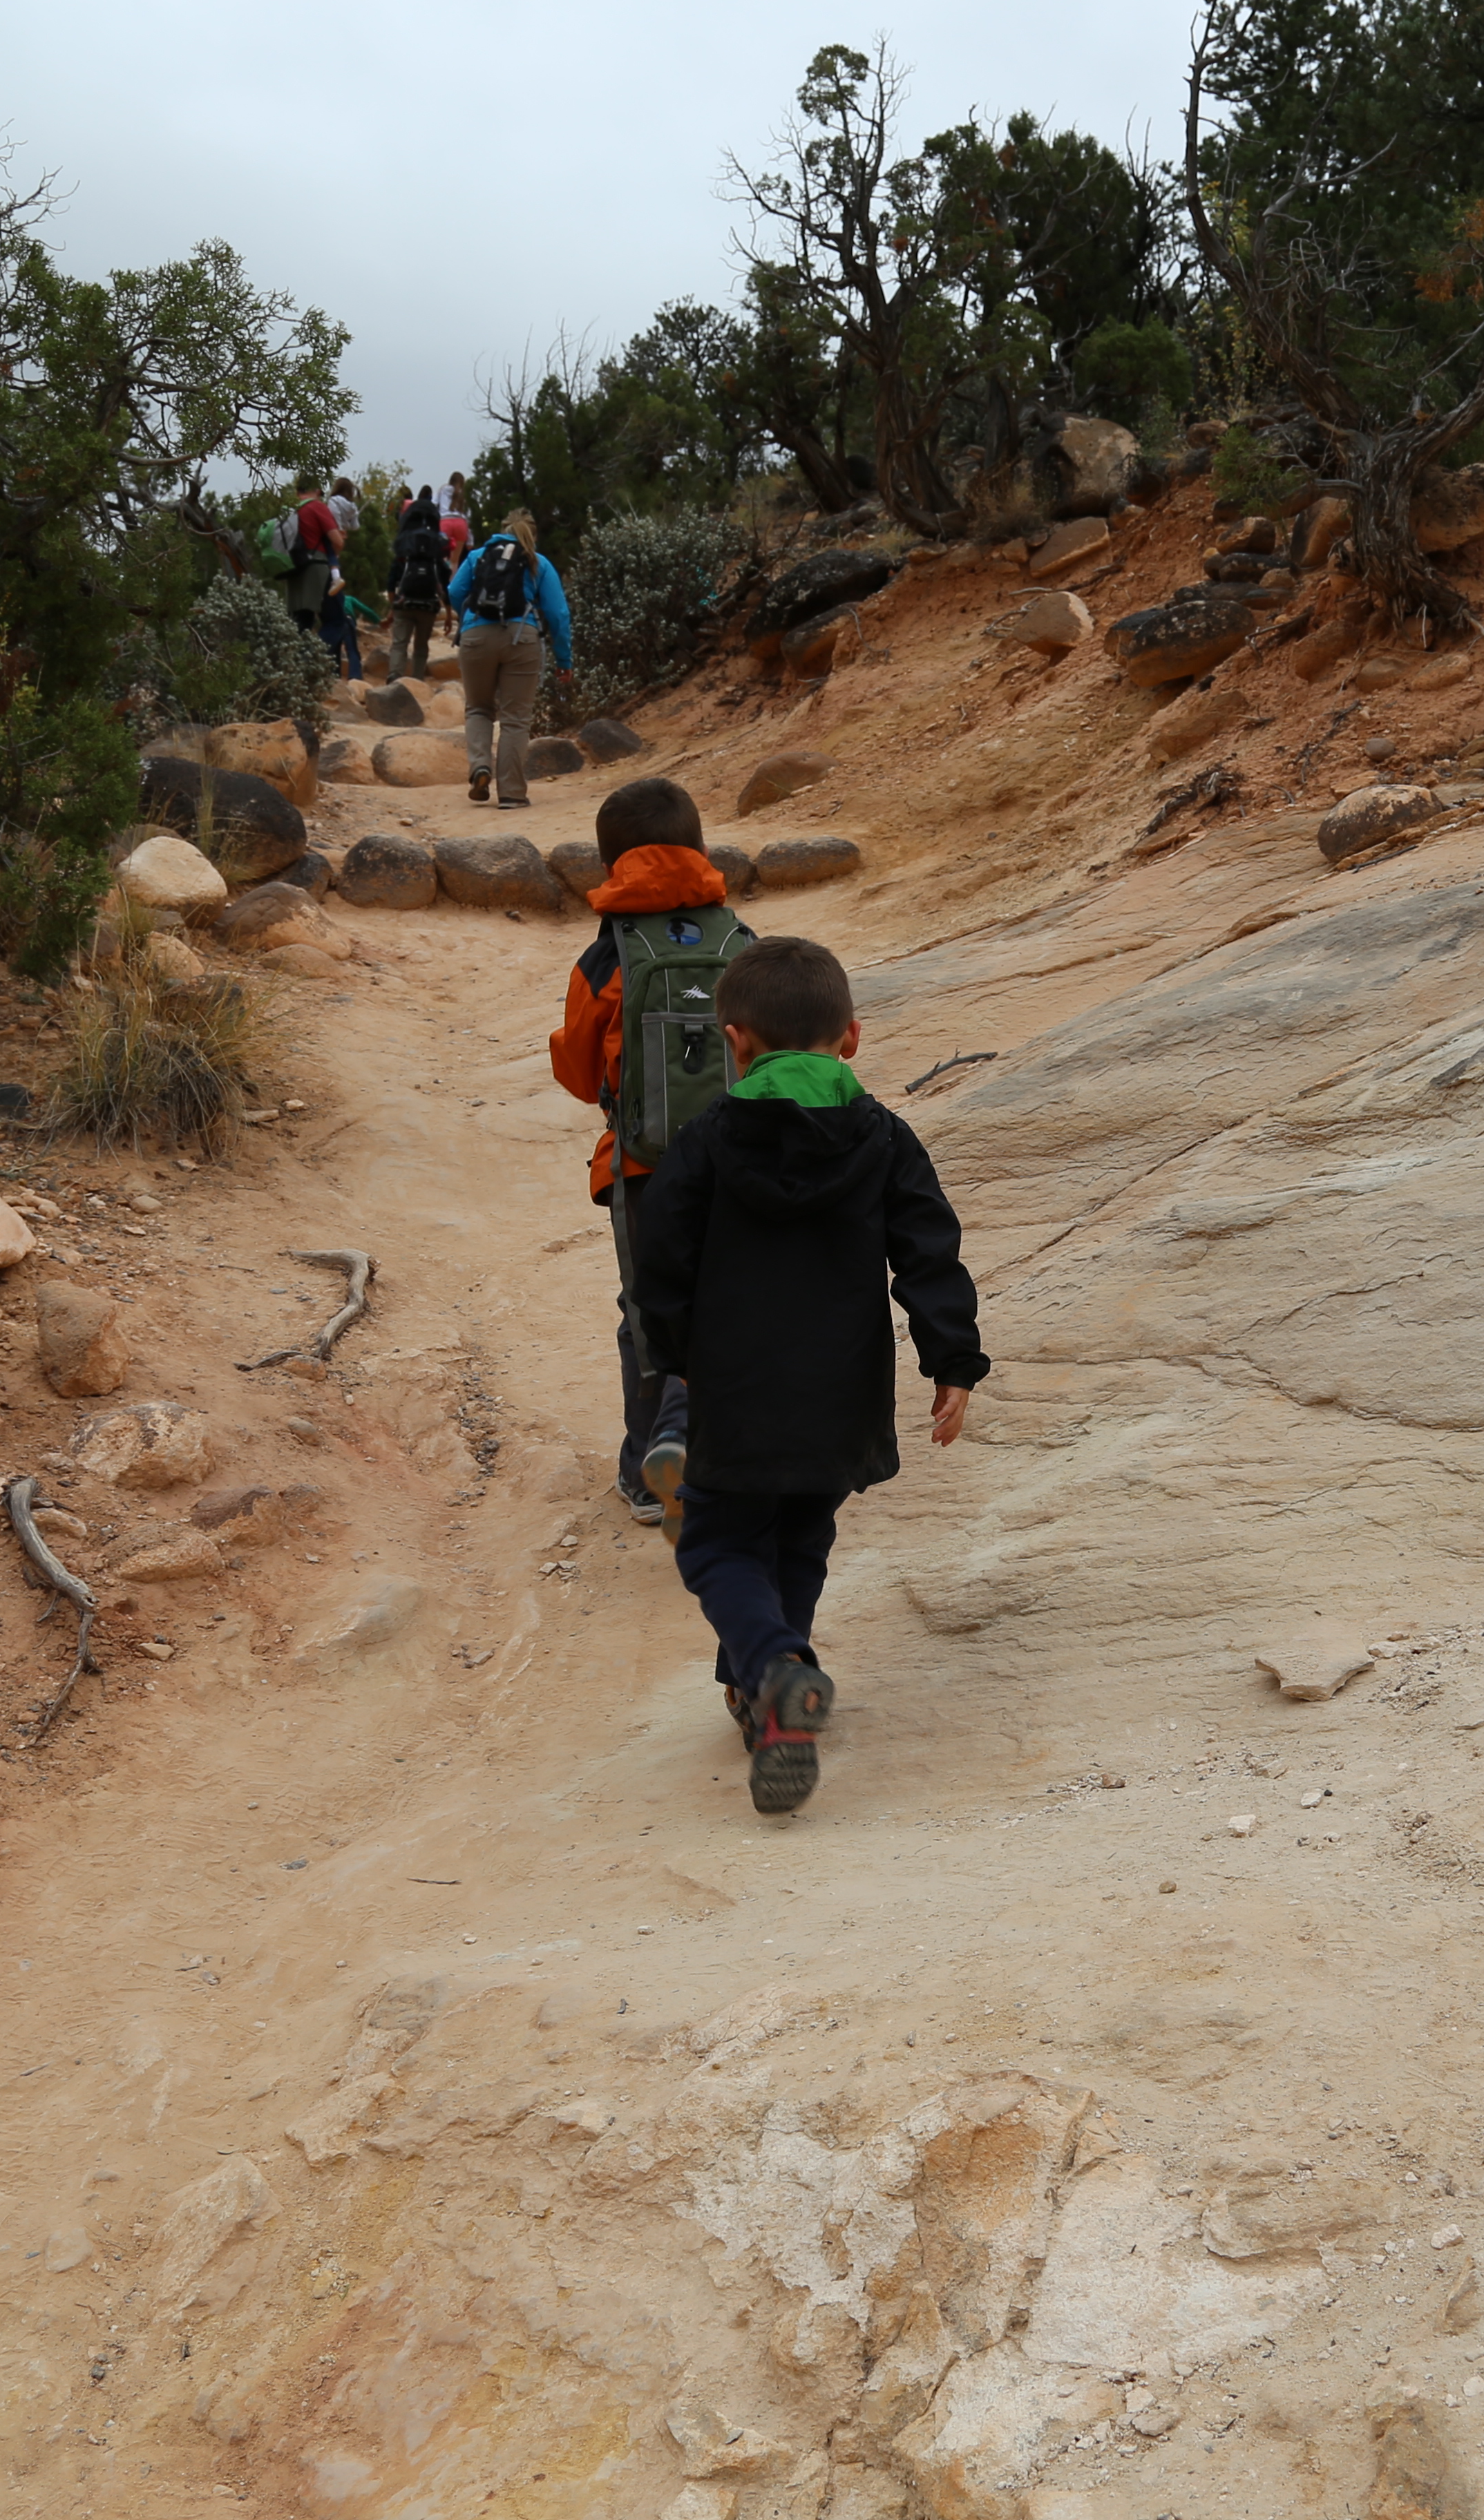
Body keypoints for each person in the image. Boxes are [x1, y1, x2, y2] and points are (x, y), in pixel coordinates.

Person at [630, 935, 986, 1815]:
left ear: (734, 1039)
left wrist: (678, 1363)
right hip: (843, 1395)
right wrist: (953, 1361)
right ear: (852, 1039)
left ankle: (777, 1667)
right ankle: (764, 1704)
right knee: (797, 1535)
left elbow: (660, 1264)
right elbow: (929, 1250)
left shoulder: (709, 1143)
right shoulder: (885, 1138)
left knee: (717, 1542)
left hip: (739, 1389)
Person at [544, 776, 740, 1529]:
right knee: (738, 1297)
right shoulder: (738, 940)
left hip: (644, 1170)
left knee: (649, 1313)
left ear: (609, 865)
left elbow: (578, 1072)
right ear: (700, 849)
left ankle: (644, 1472)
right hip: (739, 1163)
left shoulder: (607, 957)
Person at [446, 514, 572, 808]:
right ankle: (512, 793)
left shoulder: (477, 557)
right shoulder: (538, 561)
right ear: (533, 534)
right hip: (522, 638)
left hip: (476, 635)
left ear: (501, 531)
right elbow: (558, 614)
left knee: (478, 708)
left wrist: (469, 617)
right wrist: (564, 658)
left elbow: (454, 592)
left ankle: (480, 767)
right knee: (516, 718)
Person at [383, 498, 450, 681]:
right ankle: (417, 680)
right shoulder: (437, 543)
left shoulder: (403, 544)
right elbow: (445, 580)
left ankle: (395, 676)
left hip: (404, 603)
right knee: (421, 646)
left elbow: (391, 580)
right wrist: (450, 613)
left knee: (399, 644)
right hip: (428, 605)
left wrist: (393, 606)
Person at [285, 479, 347, 633]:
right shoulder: (317, 506)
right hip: (317, 568)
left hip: (294, 569)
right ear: (317, 490)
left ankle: (295, 655)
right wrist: (336, 555)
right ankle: (322, 656)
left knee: (300, 621)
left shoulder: (291, 510)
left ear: (298, 492)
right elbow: (337, 542)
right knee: (336, 620)